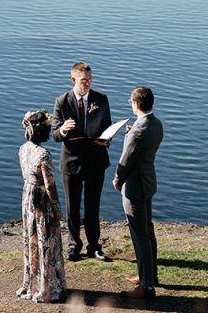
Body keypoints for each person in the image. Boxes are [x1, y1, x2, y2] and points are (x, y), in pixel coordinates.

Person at [52, 62, 112, 261]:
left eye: (90, 80)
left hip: (96, 161)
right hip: (71, 162)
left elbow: (107, 127)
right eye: (83, 80)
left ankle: (94, 246)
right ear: (73, 80)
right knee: (73, 207)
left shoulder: (101, 100)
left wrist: (107, 139)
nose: (87, 84)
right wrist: (63, 130)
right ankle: (73, 246)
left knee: (93, 205)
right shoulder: (62, 101)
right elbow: (55, 134)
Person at [113, 86, 163, 299]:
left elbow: (125, 161)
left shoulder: (138, 132)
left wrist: (117, 180)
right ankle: (150, 275)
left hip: (134, 187)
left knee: (139, 234)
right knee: (148, 229)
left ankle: (146, 286)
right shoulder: (155, 123)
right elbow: (140, 148)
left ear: (135, 104)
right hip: (148, 182)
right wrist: (131, 133)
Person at [17, 110, 66, 303]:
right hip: (41, 200)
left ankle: (32, 283)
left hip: (28, 196)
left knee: (31, 239)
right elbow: (50, 185)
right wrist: (56, 208)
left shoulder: (23, 148)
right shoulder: (43, 155)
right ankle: (47, 287)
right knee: (46, 241)